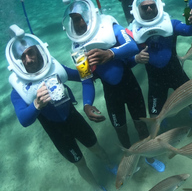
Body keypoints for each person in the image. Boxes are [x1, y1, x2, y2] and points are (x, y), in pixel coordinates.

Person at [61, 0, 164, 172]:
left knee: (141, 126)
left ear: (90, 16)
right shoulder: (77, 48)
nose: (78, 24)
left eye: (80, 18)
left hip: (130, 86)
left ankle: (149, 156)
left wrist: (110, 53)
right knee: (121, 130)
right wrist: (87, 104)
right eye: (74, 20)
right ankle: (130, 158)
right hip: (111, 94)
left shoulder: (108, 26)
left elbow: (132, 45)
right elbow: (86, 80)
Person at [5, 25, 114, 191]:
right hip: (56, 131)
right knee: (80, 163)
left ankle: (110, 166)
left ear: (39, 51)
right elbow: (23, 120)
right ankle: (97, 188)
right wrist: (36, 105)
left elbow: (80, 76)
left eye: (30, 53)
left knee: (96, 147)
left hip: (73, 118)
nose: (27, 59)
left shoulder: (54, 68)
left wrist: (86, 64)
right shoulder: (19, 88)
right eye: (22, 57)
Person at [128, 0, 192, 131]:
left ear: (158, 6)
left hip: (176, 73)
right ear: (137, 11)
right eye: (144, 7)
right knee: (155, 118)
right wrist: (136, 58)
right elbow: (126, 60)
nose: (149, 9)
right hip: (155, 81)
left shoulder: (170, 24)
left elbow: (191, 32)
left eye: (152, 5)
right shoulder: (132, 32)